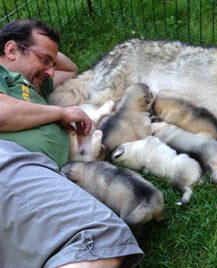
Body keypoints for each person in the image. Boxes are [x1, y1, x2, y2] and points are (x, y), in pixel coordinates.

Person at [0, 20, 144, 267]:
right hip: (11, 163)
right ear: (11, 51)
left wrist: (45, 52)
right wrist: (61, 113)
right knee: (101, 241)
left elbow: (70, 69)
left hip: (30, 180)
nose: (50, 71)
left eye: (51, 63)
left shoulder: (32, 85)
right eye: (45, 60)